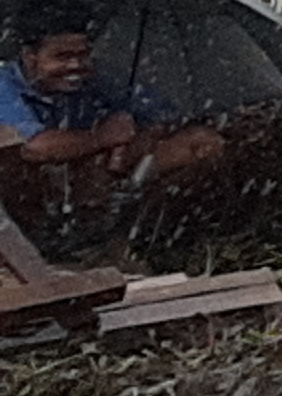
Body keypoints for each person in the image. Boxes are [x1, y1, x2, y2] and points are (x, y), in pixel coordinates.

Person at [0, 13, 225, 247]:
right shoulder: (3, 86)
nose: (75, 66)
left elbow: (165, 115)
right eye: (62, 57)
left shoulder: (95, 78)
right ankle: (53, 248)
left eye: (83, 55)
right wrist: (101, 138)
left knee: (203, 142)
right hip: (28, 193)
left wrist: (133, 141)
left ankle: (143, 236)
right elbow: (32, 148)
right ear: (30, 57)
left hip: (101, 177)